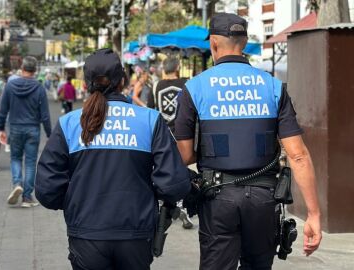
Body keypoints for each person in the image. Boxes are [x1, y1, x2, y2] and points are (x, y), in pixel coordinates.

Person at [175, 13, 322, 270]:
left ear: (213, 44)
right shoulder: (273, 86)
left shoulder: (195, 87)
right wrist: (314, 214)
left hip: (217, 198)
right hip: (263, 200)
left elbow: (185, 156)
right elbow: (298, 155)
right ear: (243, 43)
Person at [35, 48, 190, 270]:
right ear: (123, 81)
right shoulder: (149, 120)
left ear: (87, 84)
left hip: (86, 233)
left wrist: (76, 201)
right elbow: (174, 184)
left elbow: (46, 189)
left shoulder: (69, 123)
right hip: (136, 234)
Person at [0, 56, 52, 207]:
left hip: (14, 127)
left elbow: (3, 110)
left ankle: (17, 184)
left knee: (15, 158)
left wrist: (1, 128)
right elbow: (45, 115)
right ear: (35, 70)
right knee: (30, 162)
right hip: (33, 129)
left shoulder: (10, 86)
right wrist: (50, 134)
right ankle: (27, 198)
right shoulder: (39, 88)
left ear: (22, 68)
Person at [148, 57, 193, 229]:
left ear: (164, 69)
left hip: (162, 135)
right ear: (178, 67)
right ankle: (182, 206)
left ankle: (163, 207)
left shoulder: (156, 86)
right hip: (183, 135)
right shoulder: (187, 84)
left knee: (162, 169)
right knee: (183, 170)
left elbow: (151, 111)